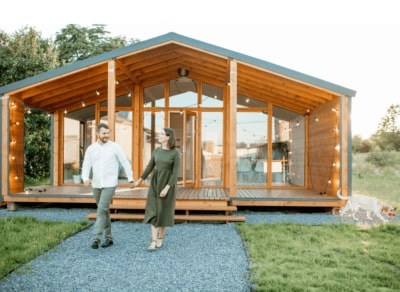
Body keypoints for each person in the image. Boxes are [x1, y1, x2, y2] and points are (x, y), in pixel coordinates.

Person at [81, 123, 134, 249]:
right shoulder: (91, 149)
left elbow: (125, 162)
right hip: (96, 184)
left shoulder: (115, 147)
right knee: (104, 211)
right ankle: (109, 238)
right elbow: (86, 164)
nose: (107, 135)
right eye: (104, 133)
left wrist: (130, 179)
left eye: (108, 133)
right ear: (97, 134)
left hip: (110, 184)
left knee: (101, 209)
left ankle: (96, 238)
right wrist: (85, 178)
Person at [133, 127, 181, 251]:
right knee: (153, 211)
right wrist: (139, 180)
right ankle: (153, 241)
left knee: (164, 212)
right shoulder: (157, 151)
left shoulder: (175, 153)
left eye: (161, 134)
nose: (159, 136)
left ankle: (161, 237)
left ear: (168, 137)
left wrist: (167, 188)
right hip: (155, 183)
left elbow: (175, 173)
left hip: (167, 185)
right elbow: (150, 166)